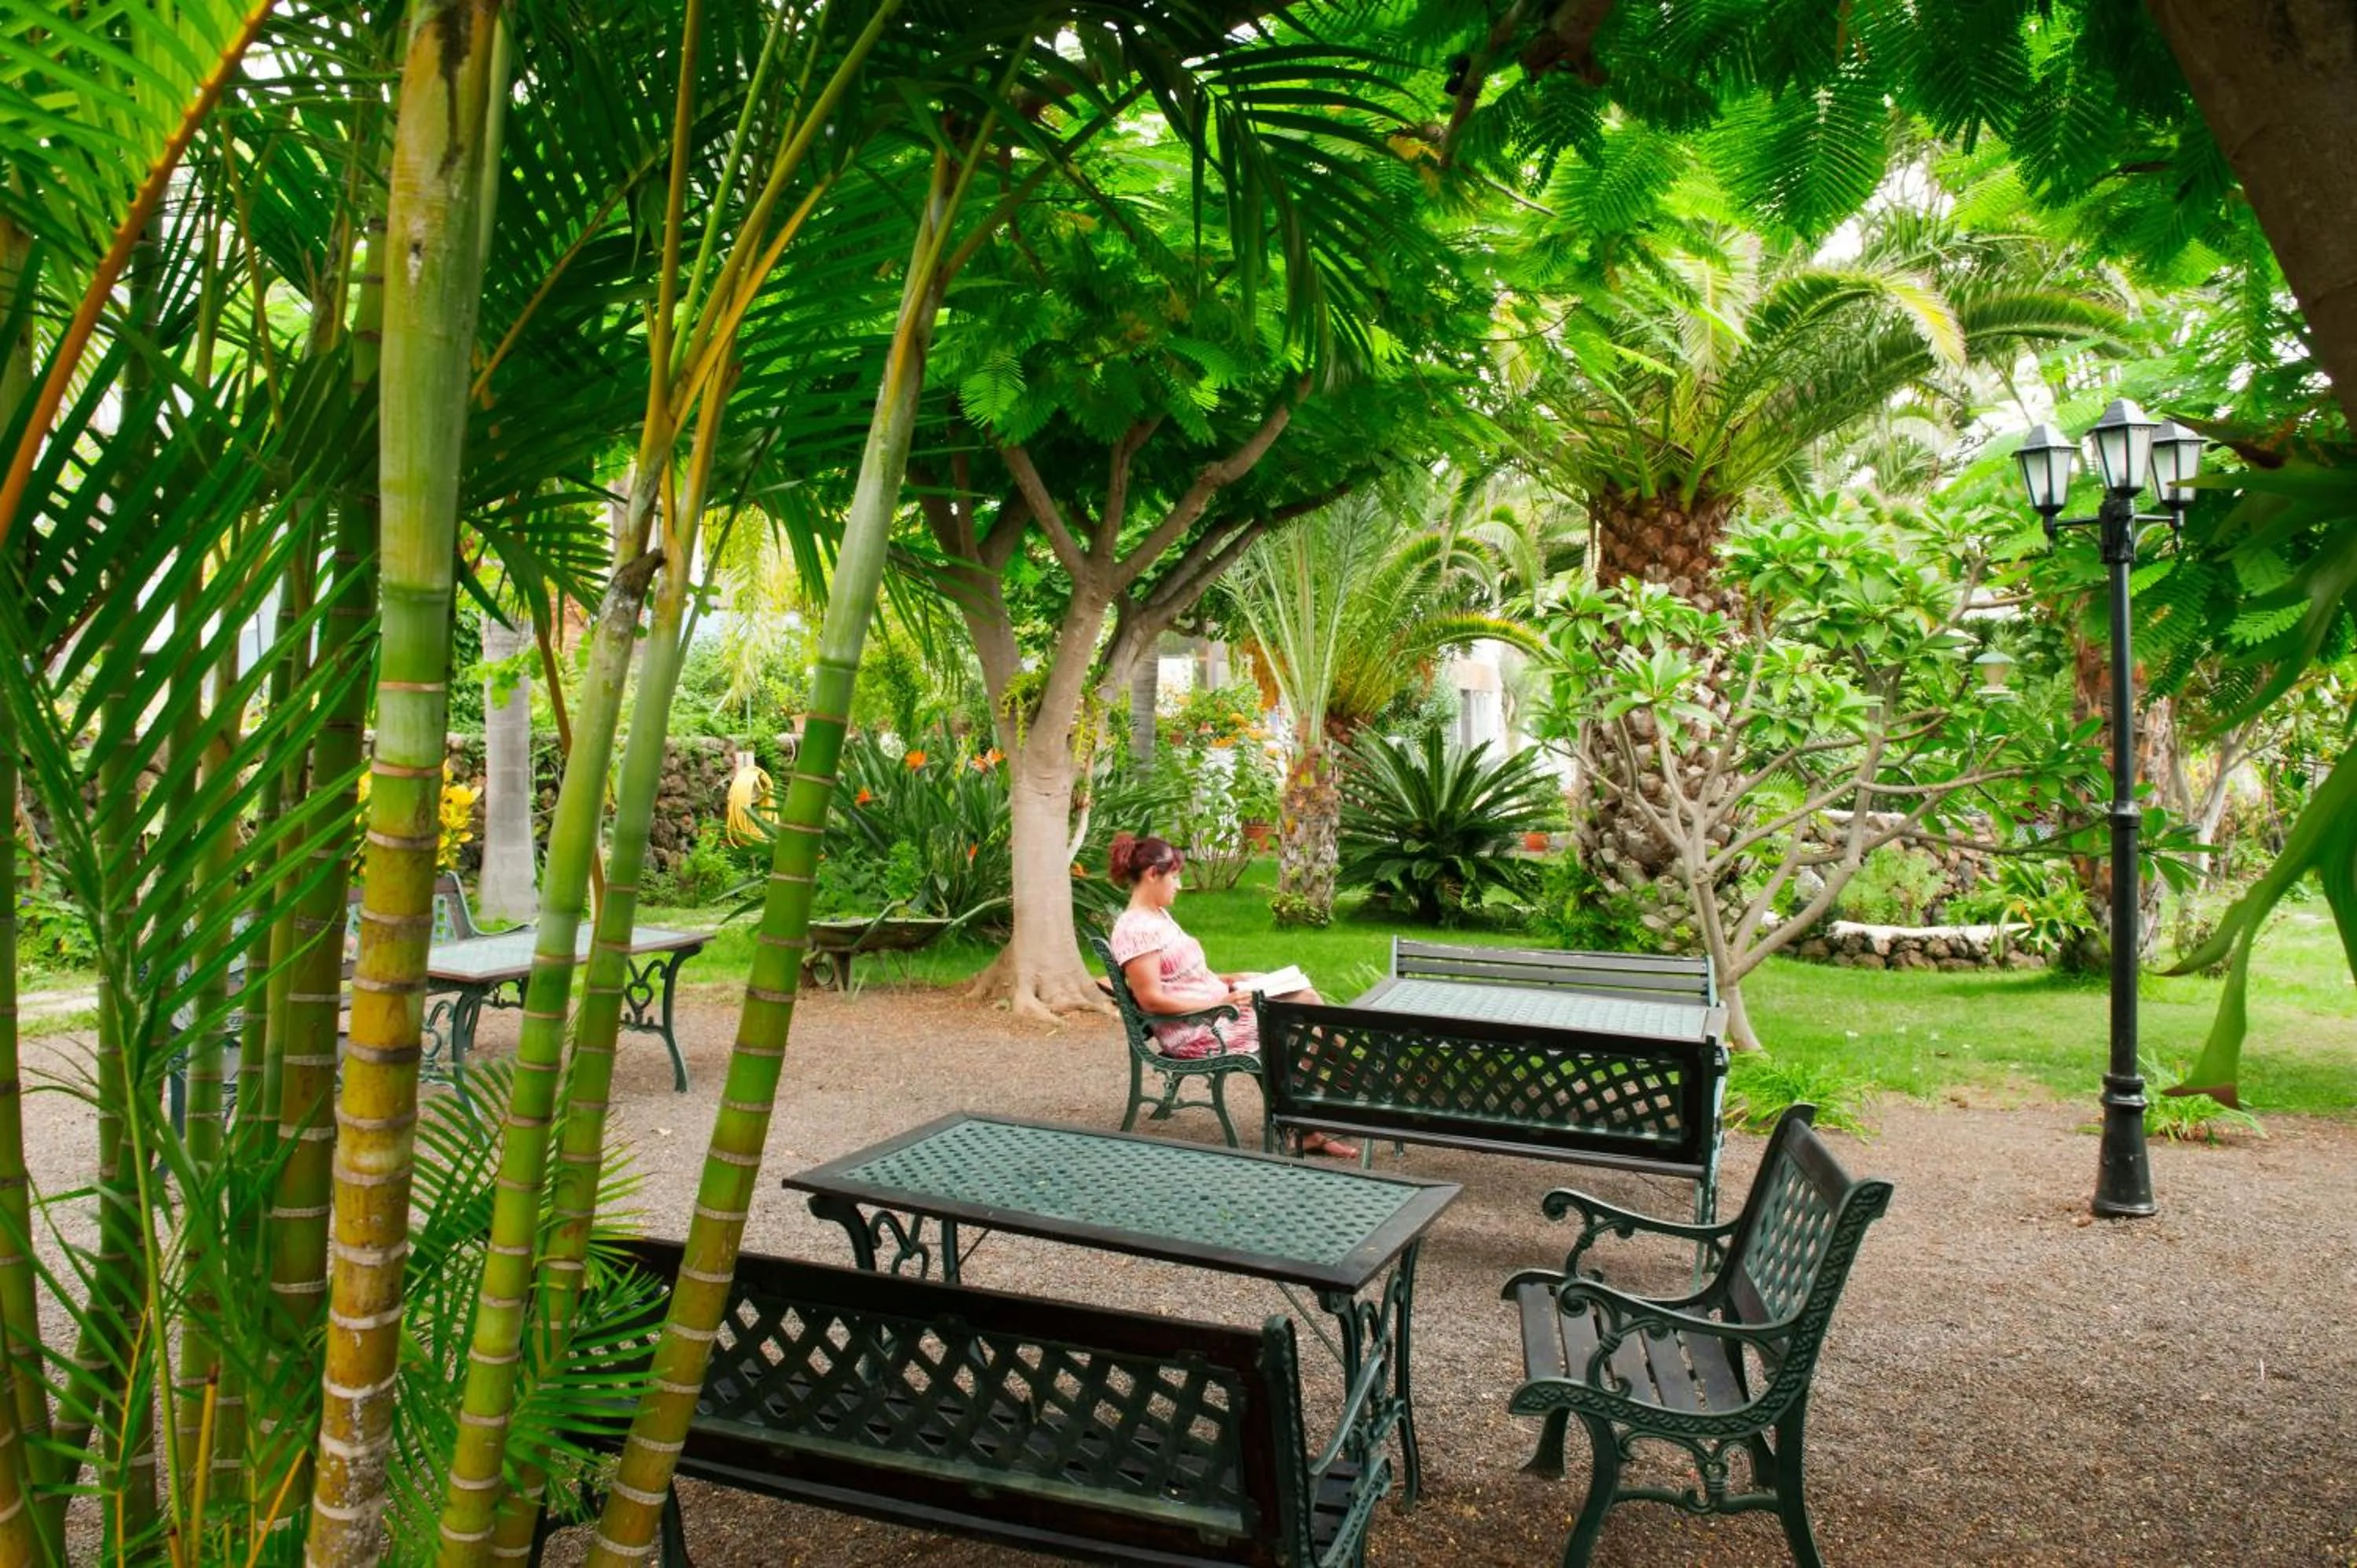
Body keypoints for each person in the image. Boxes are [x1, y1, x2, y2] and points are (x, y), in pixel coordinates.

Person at [1105, 831, 1358, 1159]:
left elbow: (1185, 976)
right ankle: (1343, 1095)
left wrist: (1233, 979)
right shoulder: (1137, 929)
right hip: (1196, 1029)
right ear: (1153, 875)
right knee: (1299, 1013)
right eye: (1175, 877)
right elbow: (1153, 999)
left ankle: (1329, 1103)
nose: (1179, 886)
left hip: (1217, 1012)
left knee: (1302, 996)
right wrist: (1219, 1002)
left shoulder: (1158, 917)